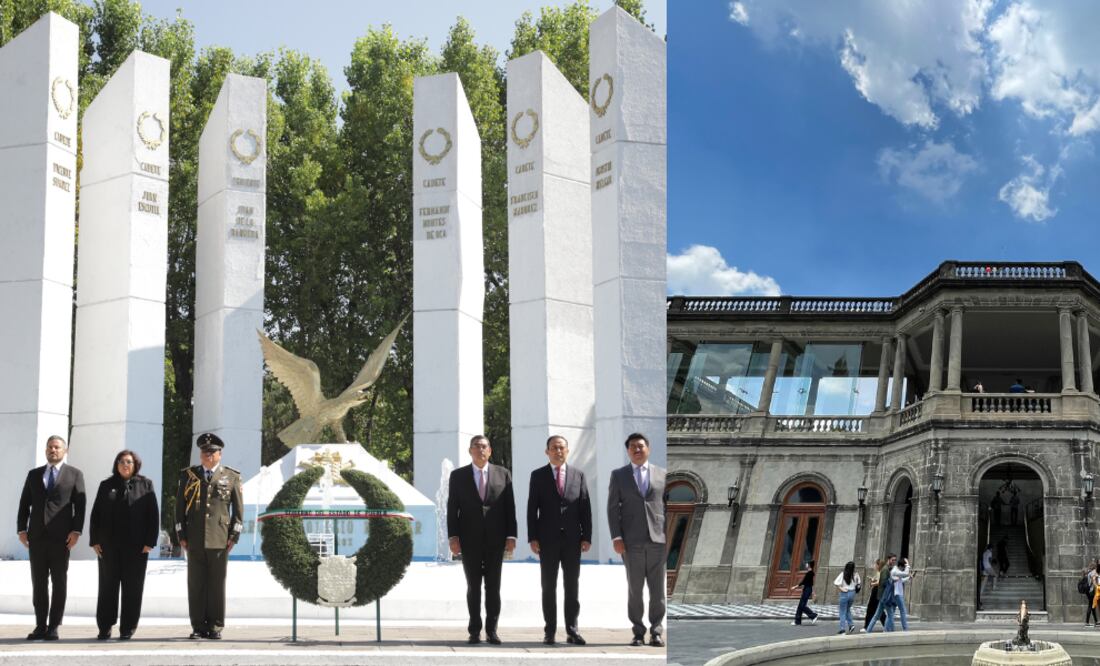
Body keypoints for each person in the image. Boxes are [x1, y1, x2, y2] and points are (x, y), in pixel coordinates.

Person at [448, 435, 517, 645]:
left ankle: (492, 630)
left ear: (490, 450)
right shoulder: (458, 476)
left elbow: (509, 507)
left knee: (494, 586)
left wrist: (511, 535)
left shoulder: (503, 474)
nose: (480, 450)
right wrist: (453, 536)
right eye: (476, 447)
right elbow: (452, 509)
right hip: (469, 540)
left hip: (496, 540)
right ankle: (474, 630)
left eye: (484, 446)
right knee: (474, 586)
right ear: (470, 451)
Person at [17, 435, 86, 641]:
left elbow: (80, 507)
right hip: (36, 537)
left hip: (61, 538)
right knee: (38, 582)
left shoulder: (75, 474)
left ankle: (54, 625)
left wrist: (76, 531)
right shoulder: (34, 474)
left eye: (56, 447)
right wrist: (22, 529)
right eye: (49, 447)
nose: (52, 450)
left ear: (65, 450)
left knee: (59, 582)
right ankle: (40, 625)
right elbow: (24, 504)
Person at [175, 433, 242, 640]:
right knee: (196, 584)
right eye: (205, 452)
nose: (208, 455)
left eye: (212, 452)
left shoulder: (231, 476)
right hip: (194, 538)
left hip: (220, 539)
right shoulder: (189, 475)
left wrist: (234, 536)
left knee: (216, 585)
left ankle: (215, 626)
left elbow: (238, 511)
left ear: (220, 454)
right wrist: (181, 534)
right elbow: (179, 508)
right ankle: (197, 626)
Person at [528, 435, 592, 646]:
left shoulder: (578, 475)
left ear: (567, 450)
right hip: (547, 540)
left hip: (573, 539)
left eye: (562, 448)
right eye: (554, 448)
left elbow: (585, 507)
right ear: (547, 451)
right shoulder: (538, 476)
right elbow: (532, 509)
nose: (558, 451)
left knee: (572, 586)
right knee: (548, 586)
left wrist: (587, 536)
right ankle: (550, 631)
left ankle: (573, 630)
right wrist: (533, 537)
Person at [90, 450, 159, 640]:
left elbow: (153, 515)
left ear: (135, 464)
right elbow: (95, 514)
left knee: (133, 588)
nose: (125, 465)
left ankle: (128, 627)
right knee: (107, 587)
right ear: (116, 465)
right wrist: (94, 540)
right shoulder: (106, 485)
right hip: (108, 547)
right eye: (121, 461)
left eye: (128, 462)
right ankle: (105, 626)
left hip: (136, 548)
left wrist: (149, 542)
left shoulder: (145, 485)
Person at [607, 432, 667, 647]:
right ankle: (638, 631)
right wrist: (616, 537)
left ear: (648, 449)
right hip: (630, 542)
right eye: (633, 446)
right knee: (635, 589)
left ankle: (657, 631)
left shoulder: (662, 474)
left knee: (657, 590)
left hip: (658, 541)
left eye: (640, 446)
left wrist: (669, 537)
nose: (637, 449)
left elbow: (667, 507)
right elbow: (613, 509)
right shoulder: (619, 475)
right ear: (628, 451)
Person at [865, 553, 897, 632]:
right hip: (884, 596)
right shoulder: (886, 569)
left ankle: (868, 630)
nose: (894, 562)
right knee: (890, 616)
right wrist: (891, 581)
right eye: (892, 560)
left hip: (882, 596)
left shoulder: (887, 569)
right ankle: (890, 632)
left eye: (895, 560)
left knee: (876, 616)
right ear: (888, 559)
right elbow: (883, 583)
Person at [789, 560, 819, 626]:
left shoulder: (809, 573)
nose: (805, 565)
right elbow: (810, 583)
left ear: (809, 565)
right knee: (800, 606)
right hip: (807, 589)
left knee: (802, 605)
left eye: (807, 564)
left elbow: (803, 582)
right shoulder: (810, 573)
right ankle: (797, 621)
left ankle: (813, 615)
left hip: (807, 590)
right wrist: (812, 591)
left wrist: (795, 587)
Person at [834, 561, 860, 634]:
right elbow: (858, 584)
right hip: (852, 593)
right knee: (847, 609)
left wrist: (842, 589)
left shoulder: (843, 574)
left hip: (845, 593)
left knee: (842, 611)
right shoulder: (856, 574)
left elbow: (836, 582)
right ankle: (851, 625)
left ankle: (842, 629)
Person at [890, 557, 915, 631]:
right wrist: (907, 564)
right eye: (903, 567)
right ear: (901, 566)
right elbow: (905, 573)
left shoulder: (897, 570)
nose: (904, 569)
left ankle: (888, 628)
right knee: (903, 611)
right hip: (897, 594)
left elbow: (901, 580)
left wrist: (909, 578)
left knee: (892, 612)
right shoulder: (895, 571)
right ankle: (905, 629)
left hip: (897, 593)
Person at [861, 559, 885, 632]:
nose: (874, 566)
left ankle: (866, 627)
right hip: (877, 592)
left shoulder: (880, 572)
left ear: (878, 565)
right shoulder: (879, 572)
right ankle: (887, 625)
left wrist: (872, 583)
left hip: (876, 592)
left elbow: (879, 582)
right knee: (878, 610)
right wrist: (873, 580)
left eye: (876, 564)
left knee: (871, 609)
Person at [978, 543, 997, 610]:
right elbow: (990, 560)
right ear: (991, 548)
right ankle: (994, 587)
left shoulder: (984, 552)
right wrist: (993, 562)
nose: (993, 549)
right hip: (988, 567)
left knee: (984, 581)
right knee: (995, 575)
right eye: (993, 548)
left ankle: (980, 594)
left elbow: (983, 560)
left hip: (984, 568)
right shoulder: (990, 552)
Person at [1085, 561, 1099, 626]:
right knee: (1091, 606)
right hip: (1093, 591)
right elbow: (1093, 581)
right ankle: (1087, 622)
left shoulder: (1089, 573)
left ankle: (1096, 621)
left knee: (1093, 606)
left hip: (1090, 591)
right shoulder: (1093, 573)